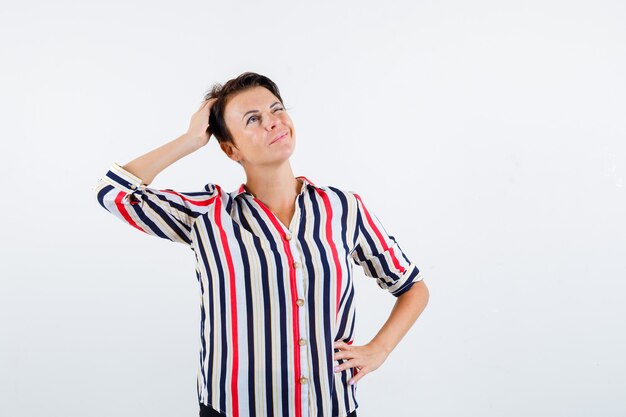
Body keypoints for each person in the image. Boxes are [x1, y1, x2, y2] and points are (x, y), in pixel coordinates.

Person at [92, 72, 429, 417]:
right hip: (234, 409)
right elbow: (112, 192)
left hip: (330, 407)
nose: (273, 122)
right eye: (253, 119)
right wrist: (191, 139)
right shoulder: (208, 214)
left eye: (276, 109)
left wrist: (380, 350)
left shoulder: (342, 208)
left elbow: (412, 286)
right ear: (230, 149)